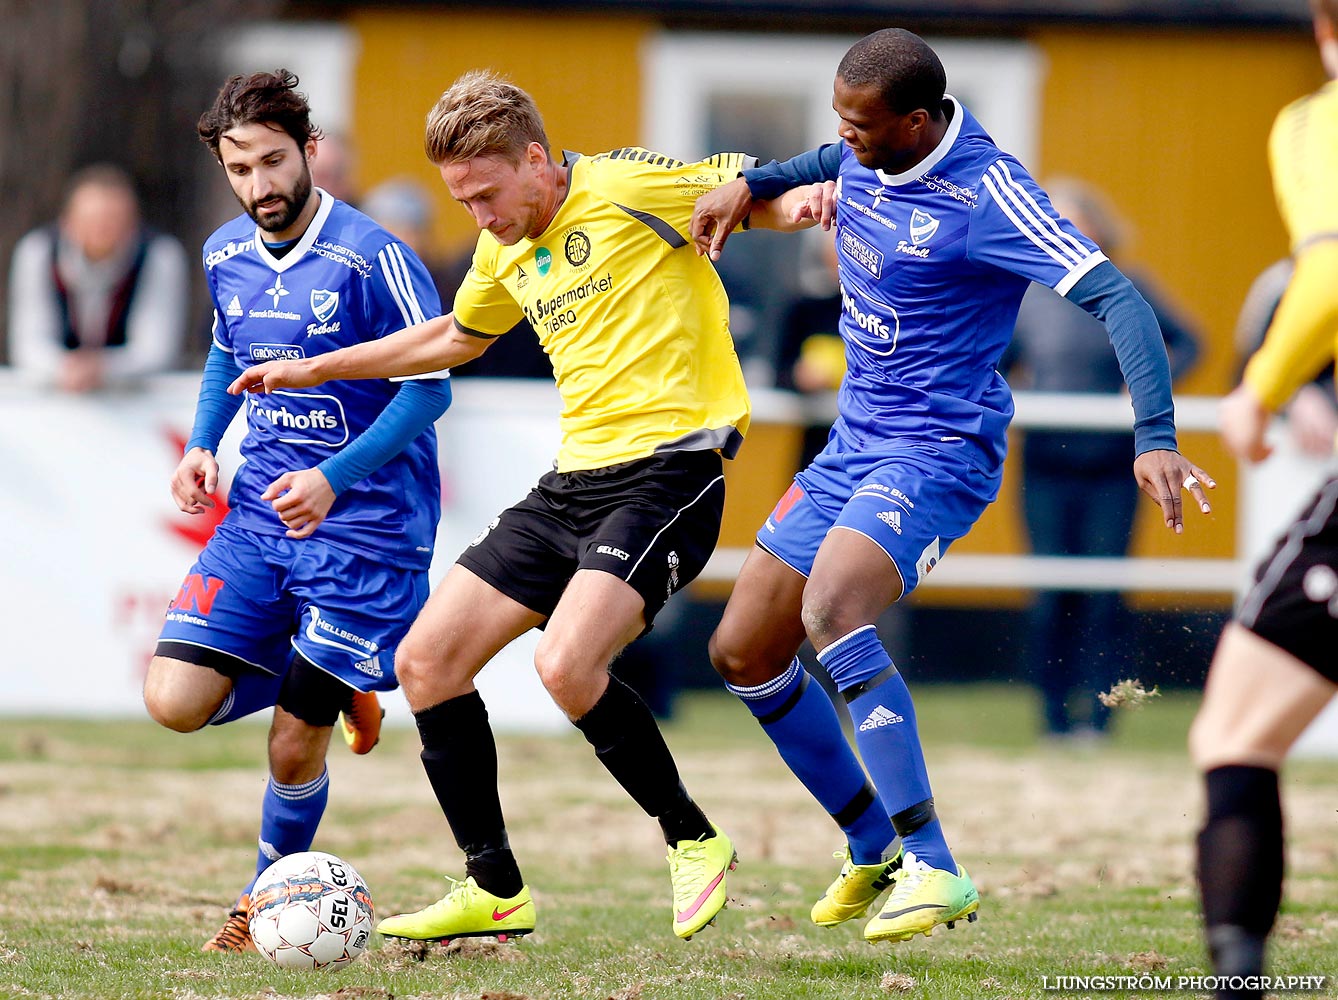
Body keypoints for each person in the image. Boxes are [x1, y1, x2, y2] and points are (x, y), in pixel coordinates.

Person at [225, 70, 824, 943]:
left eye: (489, 193)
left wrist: (813, 199)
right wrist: (317, 366)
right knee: (428, 660)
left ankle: (693, 839)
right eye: (462, 201)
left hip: (671, 472)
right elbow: (454, 338)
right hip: (572, 483)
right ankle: (494, 887)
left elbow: (749, 189)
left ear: (536, 160)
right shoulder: (502, 249)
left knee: (565, 666)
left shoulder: (624, 184)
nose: (481, 217)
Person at [691, 27, 1215, 946]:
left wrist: (1157, 435)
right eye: (839, 122)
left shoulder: (989, 192)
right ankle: (871, 846)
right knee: (741, 650)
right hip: (853, 444)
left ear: (918, 121)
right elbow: (817, 158)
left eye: (860, 126)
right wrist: (751, 181)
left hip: (937, 452)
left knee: (833, 608)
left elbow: (1120, 299)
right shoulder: (863, 147)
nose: (843, 139)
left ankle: (934, 864)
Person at [139, 70, 452, 953]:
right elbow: (222, 354)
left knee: (289, 746)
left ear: (309, 152)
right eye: (240, 170)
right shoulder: (223, 254)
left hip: (366, 531)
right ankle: (328, 674)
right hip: (259, 519)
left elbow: (428, 393)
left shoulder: (374, 255)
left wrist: (335, 477)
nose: (259, 186)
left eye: (274, 162)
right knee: (172, 700)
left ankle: (254, 906)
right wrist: (205, 442)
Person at [1189, 2, 1338, 995]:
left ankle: (1236, 983)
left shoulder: (1315, 120)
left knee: (1236, 736)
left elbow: (1329, 270)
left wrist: (1261, 390)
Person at [1002, 177, 1202, 739]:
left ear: (1096, 226)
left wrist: (1140, 392)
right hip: (1045, 461)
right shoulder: (1030, 293)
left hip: (1115, 465)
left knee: (1105, 595)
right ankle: (1052, 718)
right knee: (1049, 594)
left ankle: (1105, 716)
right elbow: (994, 361)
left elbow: (1189, 341)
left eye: (1071, 221)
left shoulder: (1127, 286)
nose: (1060, 233)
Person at [7, 163, 190, 391]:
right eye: (91, 220)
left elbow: (156, 350)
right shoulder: (38, 252)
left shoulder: (160, 255)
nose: (102, 230)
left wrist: (102, 369)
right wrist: (66, 368)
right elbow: (28, 344)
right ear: (67, 222)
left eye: (113, 220)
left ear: (133, 223)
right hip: (53, 399)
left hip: (134, 403)